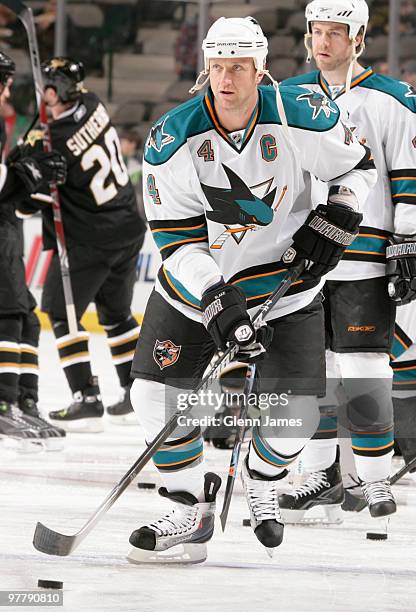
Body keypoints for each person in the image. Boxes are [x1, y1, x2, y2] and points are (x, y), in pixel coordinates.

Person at [126, 15, 377, 563]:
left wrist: (337, 215)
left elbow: (359, 168)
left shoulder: (302, 116)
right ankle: (187, 503)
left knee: (298, 417)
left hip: (285, 287)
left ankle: (262, 481)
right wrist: (216, 298)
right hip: (198, 289)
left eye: (239, 66)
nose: (227, 77)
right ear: (206, 68)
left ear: (261, 68)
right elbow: (175, 237)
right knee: (150, 394)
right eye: (217, 65)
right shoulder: (172, 138)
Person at [278, 0, 416, 525]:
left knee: (362, 365)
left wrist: (406, 244)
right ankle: (321, 476)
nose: (324, 42)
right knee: (311, 371)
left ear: (359, 39)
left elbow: (408, 177)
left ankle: (375, 477)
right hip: (304, 257)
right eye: (317, 31)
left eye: (337, 32)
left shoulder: (393, 99)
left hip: (364, 257)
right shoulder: (287, 97)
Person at [15, 57, 146, 432]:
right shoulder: (94, 104)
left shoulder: (52, 140)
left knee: (59, 312)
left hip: (90, 239)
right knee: (116, 314)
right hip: (127, 228)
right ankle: (135, 390)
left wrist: (30, 149)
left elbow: (28, 201)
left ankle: (86, 397)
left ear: (54, 89)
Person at [0, 51, 67, 451]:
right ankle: (4, 402)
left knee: (27, 318)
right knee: (9, 316)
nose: (8, 90)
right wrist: (29, 173)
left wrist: (25, 166)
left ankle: (24, 400)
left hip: (6, 229)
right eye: (5, 81)